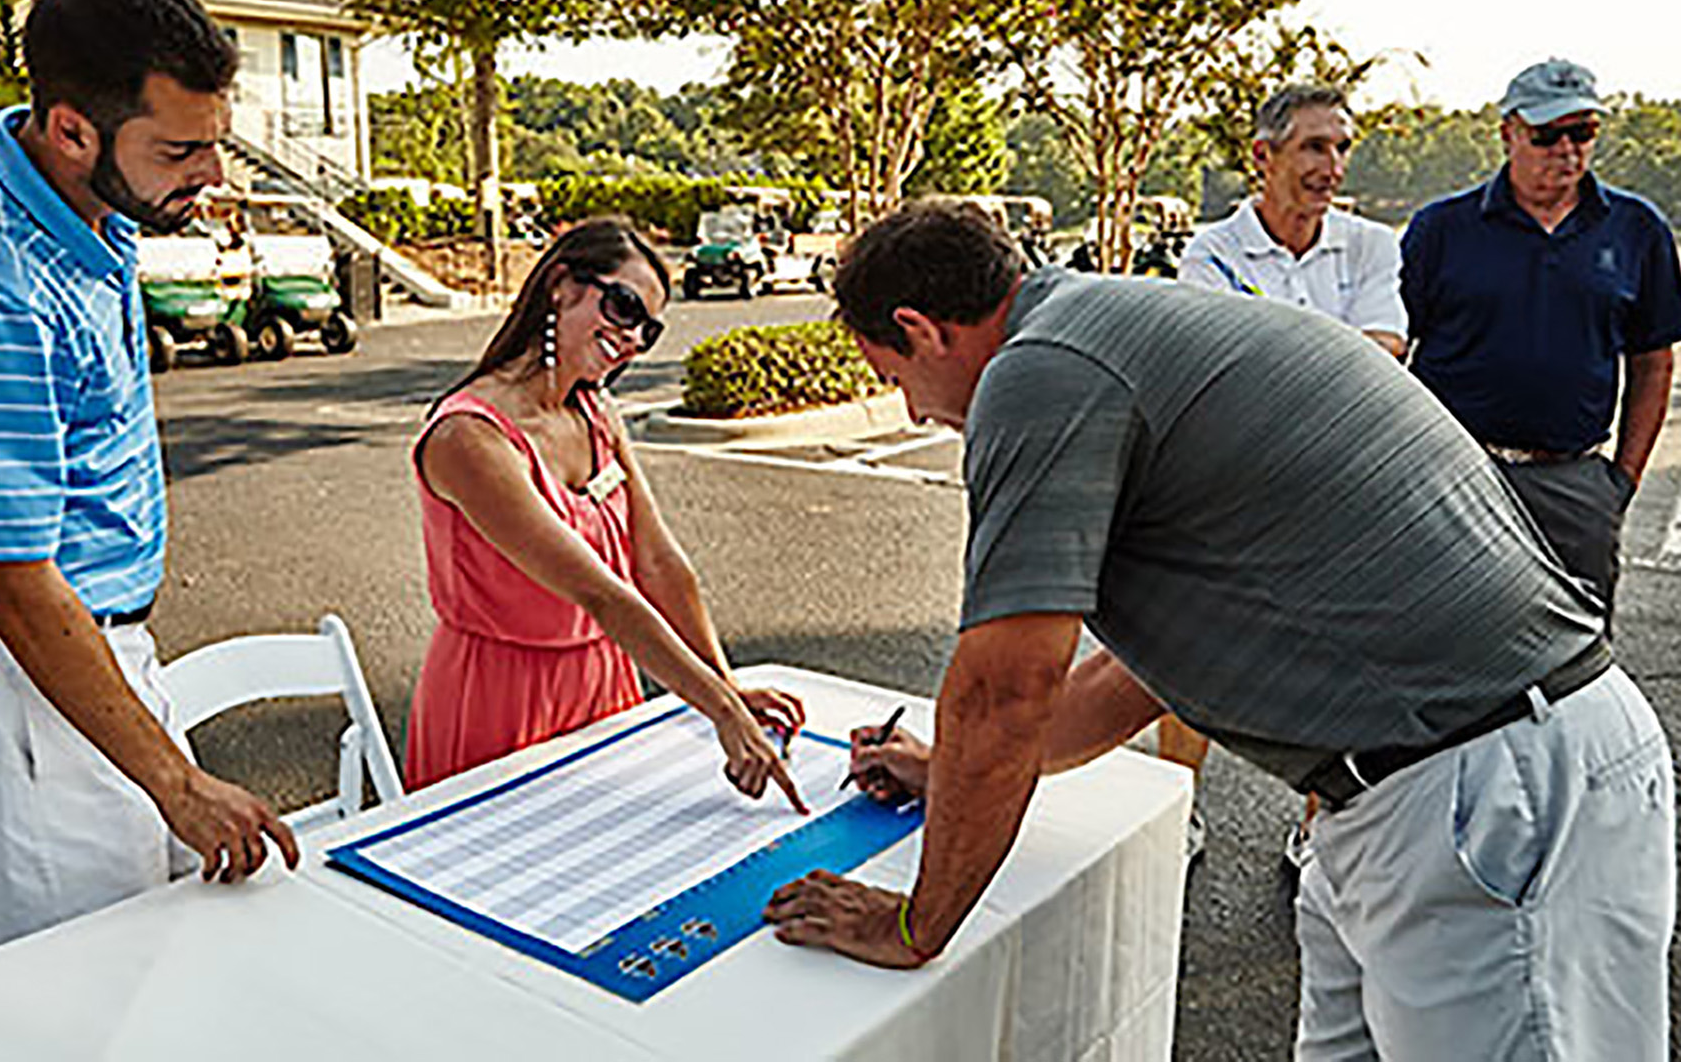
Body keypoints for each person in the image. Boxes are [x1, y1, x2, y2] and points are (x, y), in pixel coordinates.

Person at [765, 200, 1671, 1059]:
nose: (915, 413)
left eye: (895, 380)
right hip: (1448, 782)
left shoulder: (1040, 368)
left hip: (1485, 791)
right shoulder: (1117, 324)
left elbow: (1007, 688)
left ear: (921, 328)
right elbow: (1136, 677)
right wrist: (948, 772)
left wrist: (916, 922)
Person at [0, 0, 297, 950]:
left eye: (215, 142)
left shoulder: (67, 188)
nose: (211, 177)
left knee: (181, 953)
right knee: (94, 995)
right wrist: (176, 783)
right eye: (181, 151)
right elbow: (12, 585)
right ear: (70, 130)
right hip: (20, 678)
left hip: (88, 655)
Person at [406, 218, 807, 812]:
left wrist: (728, 685)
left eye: (649, 328)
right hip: (498, 701)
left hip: (606, 680)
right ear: (560, 286)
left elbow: (658, 562)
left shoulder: (597, 411)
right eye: (623, 307)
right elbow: (599, 592)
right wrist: (720, 710)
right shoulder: (469, 437)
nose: (633, 337)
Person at [1169, 84, 1407, 869]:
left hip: (1341, 499)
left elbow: (1384, 355)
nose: (1332, 166)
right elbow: (1216, 373)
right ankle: (1177, 812)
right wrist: (1330, 358)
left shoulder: (1371, 246)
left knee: (1336, 668)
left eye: (1341, 147)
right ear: (1263, 156)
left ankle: (1318, 829)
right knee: (1193, 659)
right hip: (1232, 495)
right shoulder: (1211, 251)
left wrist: (1273, 354)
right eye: (1313, 146)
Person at [1403, 58, 1681, 626]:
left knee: (1572, 656)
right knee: (1443, 640)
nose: (1567, 150)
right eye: (1547, 135)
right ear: (1507, 133)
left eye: (1583, 132)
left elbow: (1653, 361)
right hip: (1453, 479)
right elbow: (1390, 351)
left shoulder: (1637, 229)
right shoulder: (1440, 229)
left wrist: (1618, 484)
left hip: (1573, 485)